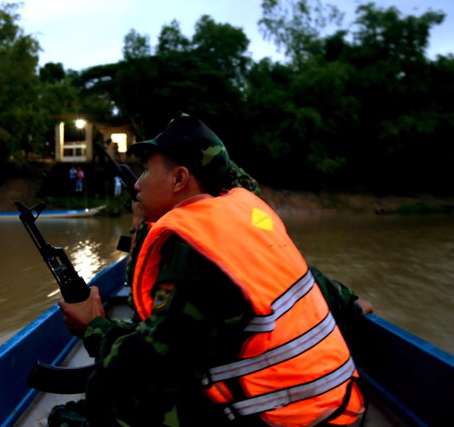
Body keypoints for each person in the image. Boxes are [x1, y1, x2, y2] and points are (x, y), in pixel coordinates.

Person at [51, 113, 371, 427]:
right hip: (340, 404)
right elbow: (310, 279)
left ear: (179, 179)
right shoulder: (244, 222)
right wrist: (351, 304)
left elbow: (151, 368)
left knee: (110, 393)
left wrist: (93, 326)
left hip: (286, 418)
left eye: (146, 171)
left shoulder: (196, 249)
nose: (138, 184)